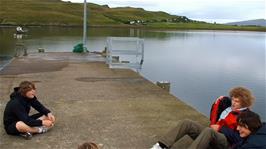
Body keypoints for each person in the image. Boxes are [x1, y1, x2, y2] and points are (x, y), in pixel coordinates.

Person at [151, 86, 255, 149]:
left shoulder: (246, 116)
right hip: (213, 135)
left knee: (208, 131)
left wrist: (221, 129)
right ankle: (161, 145)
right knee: (187, 123)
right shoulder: (227, 107)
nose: (233, 103)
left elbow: (241, 139)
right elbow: (215, 114)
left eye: (237, 101)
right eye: (233, 99)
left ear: (244, 102)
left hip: (226, 142)